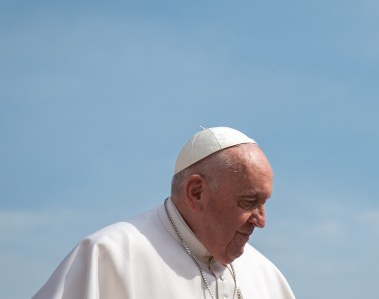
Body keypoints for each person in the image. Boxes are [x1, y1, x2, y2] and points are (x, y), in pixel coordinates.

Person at [33, 126, 296, 299]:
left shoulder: (266, 276)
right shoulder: (107, 256)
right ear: (196, 192)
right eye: (248, 201)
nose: (261, 221)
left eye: (265, 203)